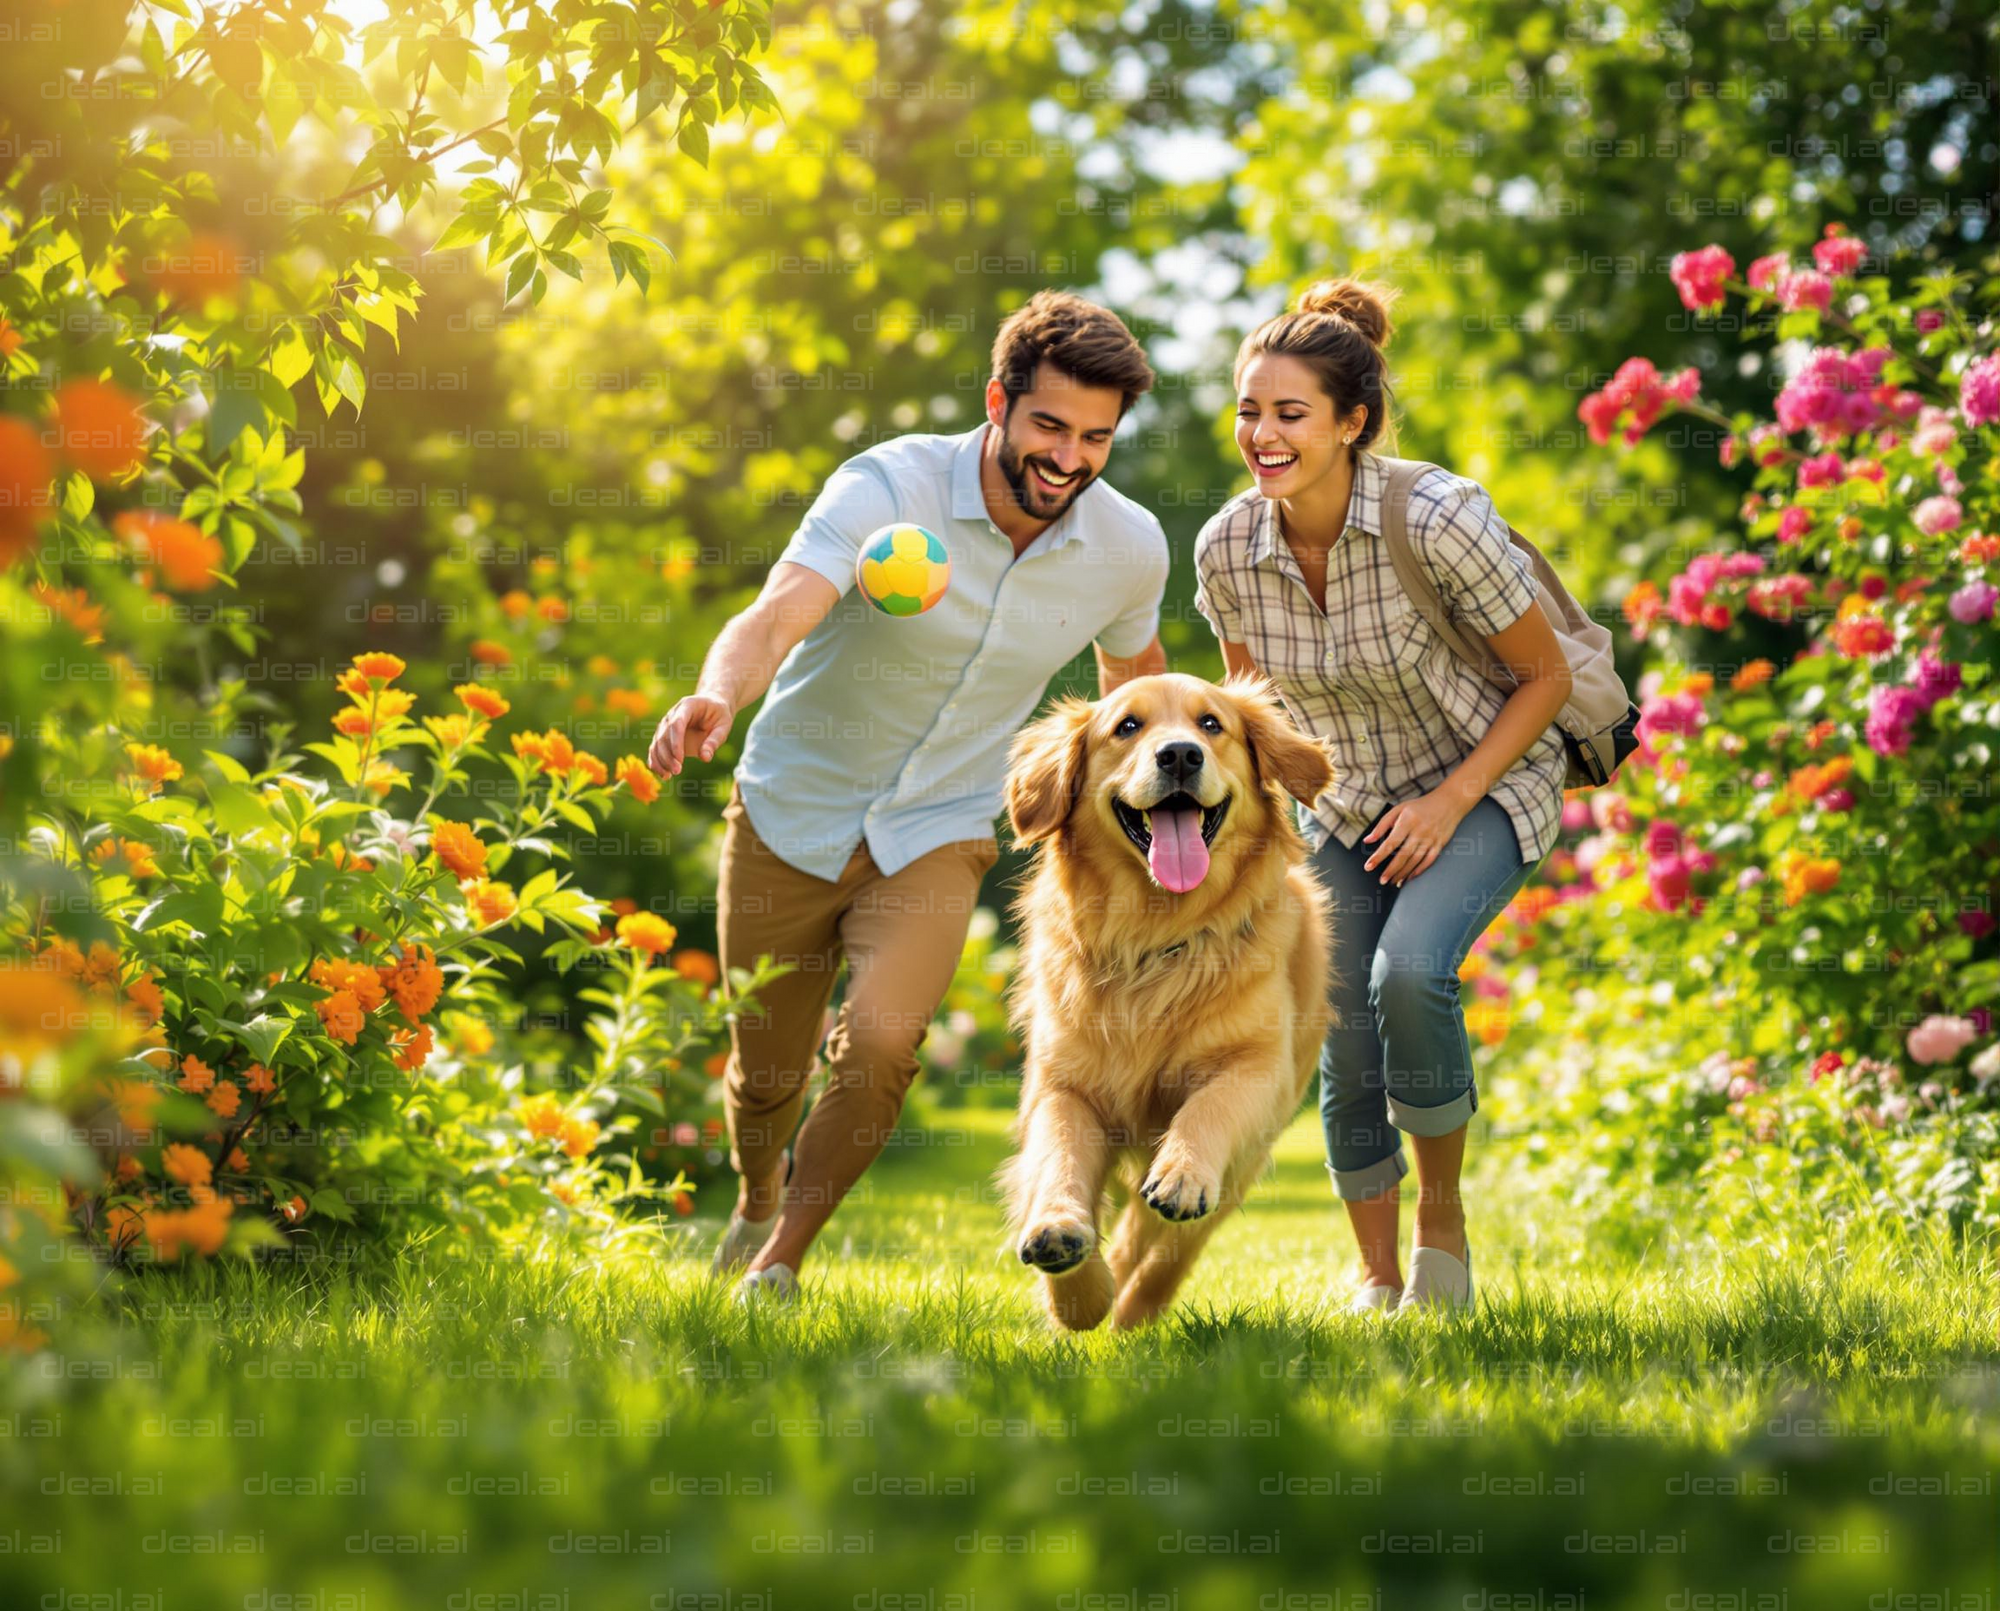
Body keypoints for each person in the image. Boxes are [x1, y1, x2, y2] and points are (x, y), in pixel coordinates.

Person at [648, 291, 1170, 1302]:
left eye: (1094, 438)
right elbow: (774, 618)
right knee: (765, 1075)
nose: (1067, 458)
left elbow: (1134, 698)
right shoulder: (887, 485)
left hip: (940, 826)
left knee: (884, 1040)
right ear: (997, 402)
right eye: (1048, 426)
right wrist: (716, 693)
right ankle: (757, 1193)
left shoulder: (1126, 546)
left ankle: (778, 1263)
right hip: (791, 809)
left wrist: (1151, 837)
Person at [1191, 278, 1572, 1315]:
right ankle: (1373, 1274)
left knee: (1408, 976)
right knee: (1330, 1015)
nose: (1260, 435)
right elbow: (1249, 715)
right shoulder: (1227, 549)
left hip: (1486, 779)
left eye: (1288, 414)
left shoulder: (1435, 517)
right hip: (1348, 809)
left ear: (1350, 422)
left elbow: (1546, 679)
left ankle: (1438, 1226)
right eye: (1247, 411)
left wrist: (1449, 804)